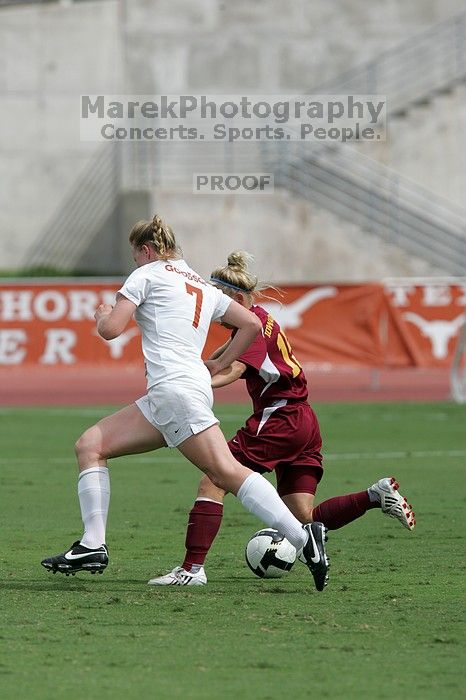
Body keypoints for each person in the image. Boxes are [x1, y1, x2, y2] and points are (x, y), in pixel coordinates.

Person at [41, 216, 330, 591]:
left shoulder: (146, 275)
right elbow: (251, 325)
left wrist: (101, 318)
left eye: (136, 256)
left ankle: (303, 539)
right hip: (172, 393)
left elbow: (112, 330)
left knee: (225, 473)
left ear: (147, 251)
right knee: (91, 444)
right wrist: (219, 364)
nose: (136, 263)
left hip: (174, 392)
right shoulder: (198, 282)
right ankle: (92, 545)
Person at [148, 251, 416, 587]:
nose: (217, 312)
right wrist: (191, 370)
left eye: (220, 300)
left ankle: (191, 570)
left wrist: (191, 385)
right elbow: (214, 362)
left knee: (214, 480)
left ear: (239, 299)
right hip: (303, 421)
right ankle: (375, 496)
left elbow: (233, 369)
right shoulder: (258, 319)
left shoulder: (253, 328)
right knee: (301, 518)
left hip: (278, 419)